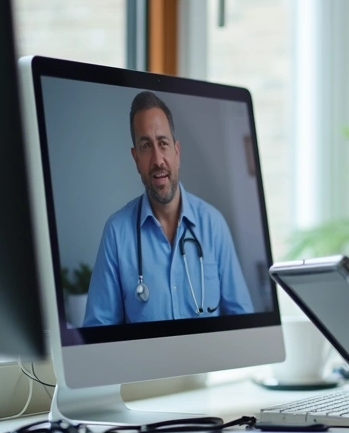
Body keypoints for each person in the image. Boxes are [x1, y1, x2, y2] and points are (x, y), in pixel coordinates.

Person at [83, 91, 255, 326]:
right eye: (146, 146)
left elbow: (243, 322)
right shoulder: (116, 233)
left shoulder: (213, 225)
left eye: (163, 144)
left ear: (177, 152)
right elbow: (98, 333)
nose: (157, 159)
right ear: (135, 159)